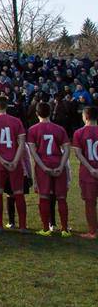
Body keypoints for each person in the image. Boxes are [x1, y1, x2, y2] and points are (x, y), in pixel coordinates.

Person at [0, 94, 28, 232]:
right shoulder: (16, 121)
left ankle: (0, 225)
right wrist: (15, 160)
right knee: (18, 192)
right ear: (7, 106)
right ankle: (23, 226)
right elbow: (22, 143)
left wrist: (1, 159)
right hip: (15, 161)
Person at [26, 102, 72, 237]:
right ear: (51, 112)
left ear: (36, 114)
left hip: (43, 166)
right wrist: (61, 165)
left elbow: (33, 153)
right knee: (62, 198)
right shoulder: (59, 129)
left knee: (44, 197)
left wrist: (43, 167)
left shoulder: (33, 130)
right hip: (58, 164)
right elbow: (67, 149)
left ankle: (46, 229)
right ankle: (65, 229)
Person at [71, 106, 98, 239]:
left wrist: (91, 168)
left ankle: (93, 231)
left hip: (88, 173)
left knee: (90, 203)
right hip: (91, 170)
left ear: (85, 116)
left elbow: (78, 153)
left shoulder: (79, 133)